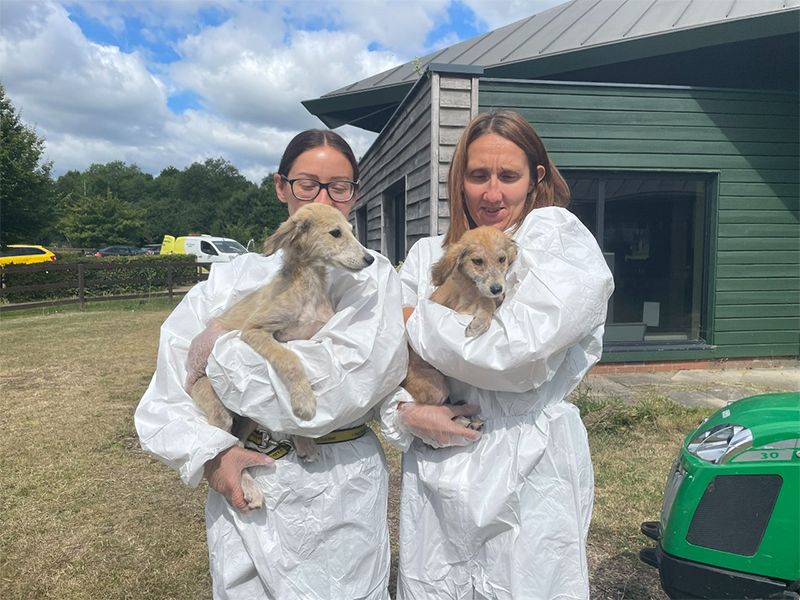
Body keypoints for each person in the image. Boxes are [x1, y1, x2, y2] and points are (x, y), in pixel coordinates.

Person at [135, 129, 408, 600]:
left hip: (337, 481)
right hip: (244, 471)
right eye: (308, 183)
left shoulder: (371, 278)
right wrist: (212, 455)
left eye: (338, 186)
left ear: (353, 195)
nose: (324, 196)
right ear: (282, 187)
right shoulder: (230, 276)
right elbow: (174, 378)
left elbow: (340, 388)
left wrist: (222, 337)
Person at [381, 109, 614, 599]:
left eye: (508, 176)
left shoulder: (556, 242)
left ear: (536, 179)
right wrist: (405, 414)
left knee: (526, 583)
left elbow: (518, 357)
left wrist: (413, 318)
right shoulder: (428, 255)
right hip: (441, 458)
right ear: (458, 180)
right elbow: (382, 359)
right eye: (477, 175)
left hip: (529, 458)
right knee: (439, 585)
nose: (491, 194)